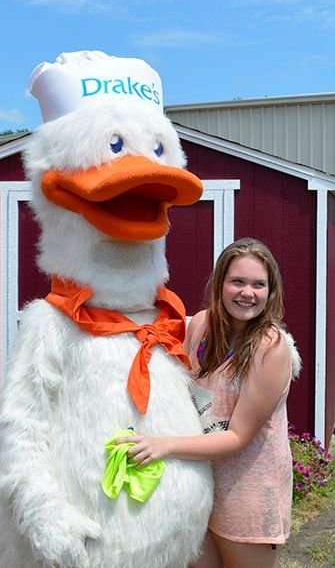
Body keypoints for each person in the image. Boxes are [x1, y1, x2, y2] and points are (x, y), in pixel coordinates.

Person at [119, 238, 300, 568]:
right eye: (238, 281)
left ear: (270, 291)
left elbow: (237, 437)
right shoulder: (202, 325)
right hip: (199, 485)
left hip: (247, 495)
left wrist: (161, 445)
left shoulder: (270, 348)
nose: (248, 292)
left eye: (259, 284)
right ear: (220, 284)